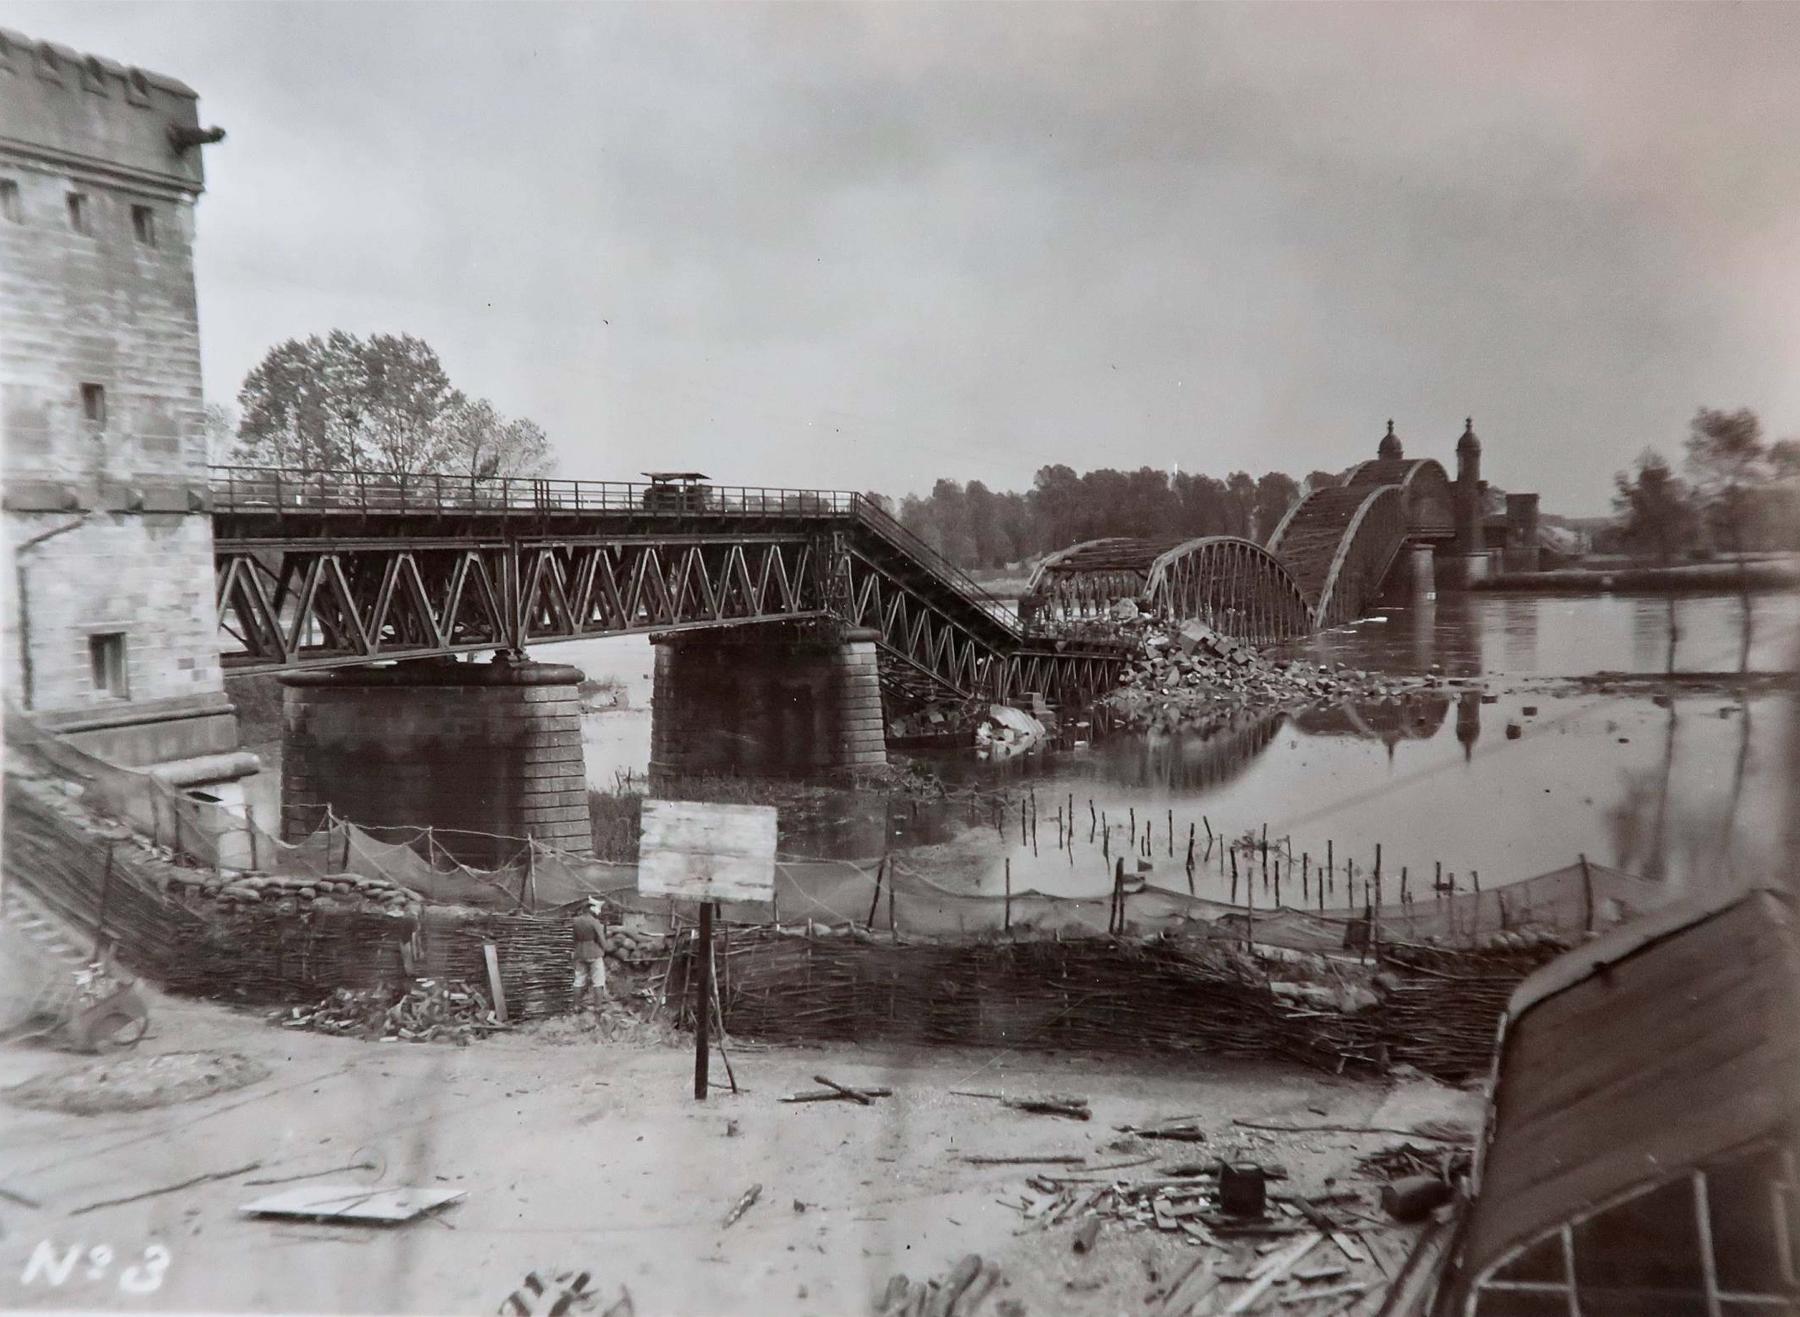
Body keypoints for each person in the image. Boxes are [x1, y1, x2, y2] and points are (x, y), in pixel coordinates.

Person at [571, 898, 609, 1012]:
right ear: (592, 910)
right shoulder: (594, 922)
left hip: (580, 952)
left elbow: (574, 939)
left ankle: (576, 1006)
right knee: (598, 980)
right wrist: (605, 949)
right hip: (594, 953)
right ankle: (598, 1007)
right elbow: (601, 940)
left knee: (578, 980)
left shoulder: (575, 921)